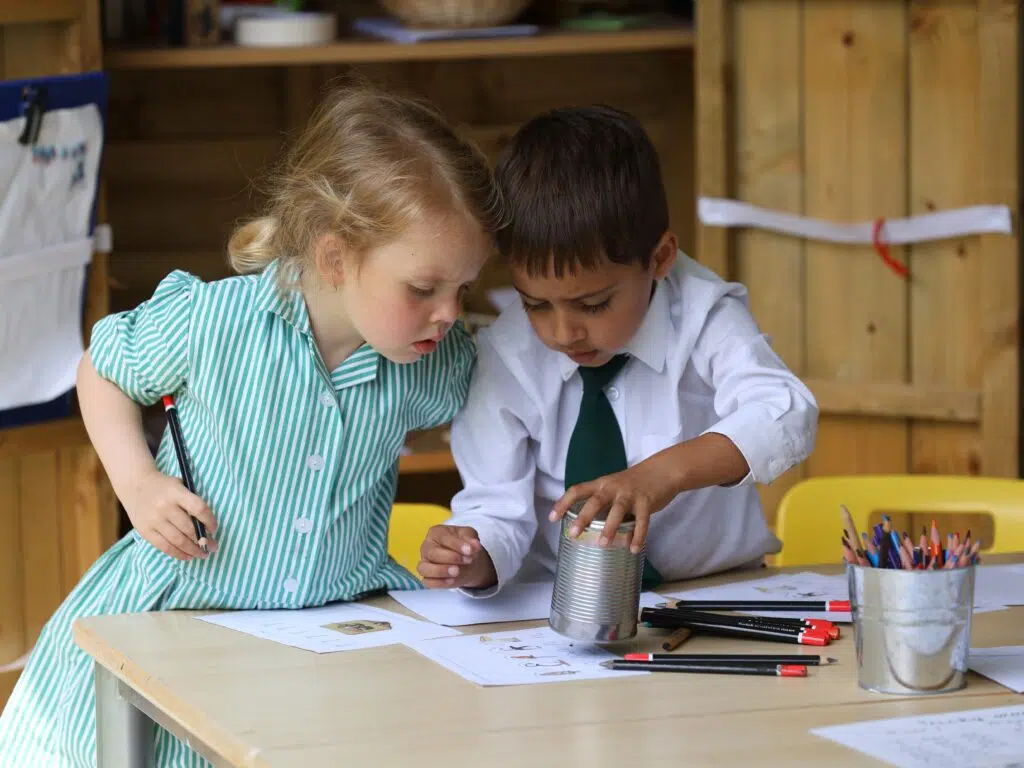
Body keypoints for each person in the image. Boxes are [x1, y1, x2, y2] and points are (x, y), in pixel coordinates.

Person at [0, 83, 501, 766]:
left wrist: (483, 531)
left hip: (335, 637)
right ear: (334, 258)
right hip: (177, 626)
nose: (449, 313)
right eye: (423, 289)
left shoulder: (432, 362)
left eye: (462, 289)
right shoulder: (213, 322)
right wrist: (139, 484)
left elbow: (509, 421)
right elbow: (104, 367)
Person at [417, 105, 818, 595]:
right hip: (560, 604)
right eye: (535, 303)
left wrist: (663, 474)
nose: (564, 332)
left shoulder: (704, 314)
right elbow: (497, 507)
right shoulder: (507, 352)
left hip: (715, 591)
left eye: (593, 304)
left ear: (660, 259)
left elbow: (784, 411)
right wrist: (473, 557)